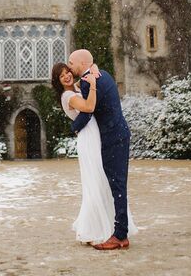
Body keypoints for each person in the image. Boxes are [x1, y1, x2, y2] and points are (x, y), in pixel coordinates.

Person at [52, 57, 136, 248]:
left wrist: (92, 71)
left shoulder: (79, 86)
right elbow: (89, 108)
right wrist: (92, 85)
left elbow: (89, 69)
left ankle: (109, 229)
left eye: (67, 72)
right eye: (61, 76)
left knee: (103, 183)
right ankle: (95, 229)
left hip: (98, 136)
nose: (66, 76)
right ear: (57, 81)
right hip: (89, 140)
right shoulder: (68, 96)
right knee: (95, 183)